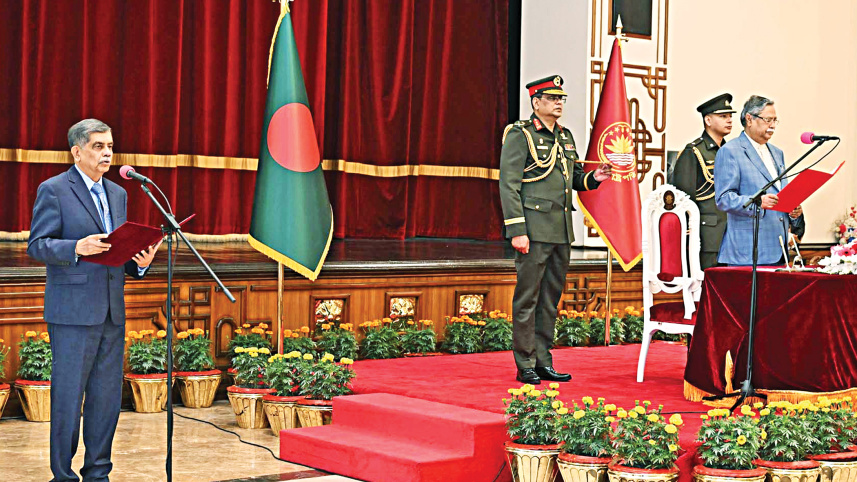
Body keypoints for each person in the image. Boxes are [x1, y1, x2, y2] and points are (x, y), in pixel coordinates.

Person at [27, 119, 161, 482]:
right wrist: (76, 247)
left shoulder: (118, 193)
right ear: (77, 151)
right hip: (72, 313)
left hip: (111, 311)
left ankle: (98, 473)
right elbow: (37, 245)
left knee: (106, 399)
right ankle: (63, 475)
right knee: (69, 398)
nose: (107, 153)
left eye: (110, 146)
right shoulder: (54, 190)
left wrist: (140, 263)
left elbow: (115, 251)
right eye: (99, 146)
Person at [499, 75, 612, 384]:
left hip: (561, 230)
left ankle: (543, 361)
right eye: (552, 98)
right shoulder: (520, 134)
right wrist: (517, 229)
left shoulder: (565, 136)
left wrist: (595, 177)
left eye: (561, 98)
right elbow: (509, 185)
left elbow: (574, 179)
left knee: (549, 300)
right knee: (527, 299)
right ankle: (525, 362)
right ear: (536, 103)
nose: (559, 103)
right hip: (533, 230)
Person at [714, 96, 804, 266]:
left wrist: (793, 209)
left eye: (775, 120)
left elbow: (780, 192)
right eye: (768, 120)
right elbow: (723, 199)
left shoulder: (777, 153)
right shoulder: (730, 151)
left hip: (779, 249)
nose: (773, 125)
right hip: (747, 251)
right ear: (749, 119)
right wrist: (758, 202)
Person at [670, 93, 735, 269]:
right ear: (708, 120)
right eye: (723, 116)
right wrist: (687, 235)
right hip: (707, 236)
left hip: (732, 235)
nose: (729, 120)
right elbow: (683, 198)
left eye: (730, 116)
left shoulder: (732, 151)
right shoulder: (694, 151)